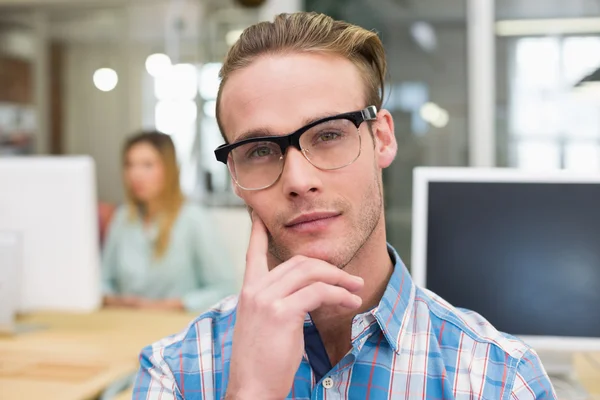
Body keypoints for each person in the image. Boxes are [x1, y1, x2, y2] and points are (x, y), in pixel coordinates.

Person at [133, 12, 556, 399]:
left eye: (329, 134)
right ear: (235, 177)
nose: (299, 181)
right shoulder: (174, 371)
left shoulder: (500, 379)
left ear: (383, 139)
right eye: (260, 150)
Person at [102, 131, 235, 313]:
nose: (135, 174)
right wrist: (114, 300)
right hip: (125, 324)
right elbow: (103, 280)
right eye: (129, 165)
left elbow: (225, 290)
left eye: (147, 165)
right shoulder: (122, 218)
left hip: (178, 329)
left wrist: (171, 305)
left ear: (169, 169)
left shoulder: (194, 218)